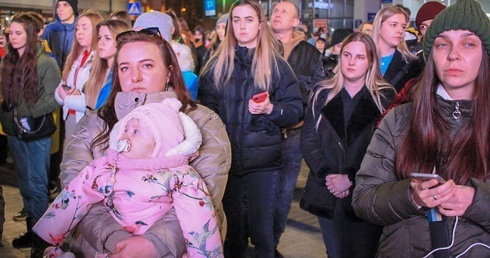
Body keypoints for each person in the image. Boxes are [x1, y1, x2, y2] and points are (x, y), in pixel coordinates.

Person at [60, 28, 230, 257]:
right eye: (125, 67)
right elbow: (74, 185)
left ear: (169, 72)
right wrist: (116, 239)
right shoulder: (94, 124)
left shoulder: (202, 121)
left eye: (147, 65)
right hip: (101, 248)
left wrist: (154, 244)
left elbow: (207, 190)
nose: (135, 76)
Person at [352, 0, 490, 257]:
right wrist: (411, 197)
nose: (453, 54)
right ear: (431, 54)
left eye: (468, 43)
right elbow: (363, 200)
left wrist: (475, 200)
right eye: (442, 44)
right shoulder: (399, 120)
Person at [34, 98, 223, 257]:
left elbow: (199, 219)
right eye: (125, 129)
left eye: (135, 131)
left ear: (161, 143)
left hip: (157, 247)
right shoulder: (108, 167)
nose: (125, 136)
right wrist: (51, 232)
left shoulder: (181, 176)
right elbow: (76, 194)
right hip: (115, 243)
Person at [199, 1, 303, 257]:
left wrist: (270, 109)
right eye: (237, 20)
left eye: (248, 19)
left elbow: (295, 110)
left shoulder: (277, 66)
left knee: (263, 235)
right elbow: (207, 116)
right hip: (228, 163)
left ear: (260, 25)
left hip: (264, 163)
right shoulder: (216, 66)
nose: (242, 26)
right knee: (231, 234)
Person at [300, 32, 395, 258]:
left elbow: (385, 148)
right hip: (327, 188)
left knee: (364, 252)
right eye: (347, 55)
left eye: (360, 57)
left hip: (365, 190)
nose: (351, 62)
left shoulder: (385, 96)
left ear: (371, 61)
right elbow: (308, 139)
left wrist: (350, 177)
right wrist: (329, 173)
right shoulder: (321, 92)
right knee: (335, 252)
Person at [0, 12, 61, 257]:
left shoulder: (47, 62)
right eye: (10, 33)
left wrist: (28, 111)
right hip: (14, 131)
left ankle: (41, 240)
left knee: (37, 187)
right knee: (25, 185)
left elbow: (55, 97)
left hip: (36, 131)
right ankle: (31, 230)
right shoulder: (8, 61)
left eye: (18, 32)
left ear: (32, 33)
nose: (12, 37)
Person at [269, 2, 325, 256]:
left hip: (293, 134)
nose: (276, 13)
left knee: (283, 194)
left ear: (295, 22)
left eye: (284, 11)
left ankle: (272, 244)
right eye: (275, 9)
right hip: (261, 132)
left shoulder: (309, 54)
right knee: (253, 192)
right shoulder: (259, 48)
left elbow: (318, 94)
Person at [55, 10, 103, 144]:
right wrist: (65, 94)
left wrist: (69, 98)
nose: (79, 32)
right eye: (77, 28)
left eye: (85, 28)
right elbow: (60, 88)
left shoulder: (100, 60)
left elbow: (96, 101)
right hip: (70, 116)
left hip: (86, 120)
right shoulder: (75, 57)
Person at [371, 5, 421, 92]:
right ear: (379, 27)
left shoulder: (411, 65)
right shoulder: (362, 58)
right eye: (394, 25)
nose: (400, 31)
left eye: (403, 27)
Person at [85, 20, 131, 110]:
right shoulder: (96, 72)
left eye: (107, 38)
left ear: (120, 41)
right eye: (99, 37)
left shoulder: (122, 77)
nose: (100, 42)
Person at [42, 0, 78, 70]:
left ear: (73, 8)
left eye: (65, 5)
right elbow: (43, 53)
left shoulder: (79, 30)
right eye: (58, 6)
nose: (61, 9)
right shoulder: (50, 29)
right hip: (53, 74)